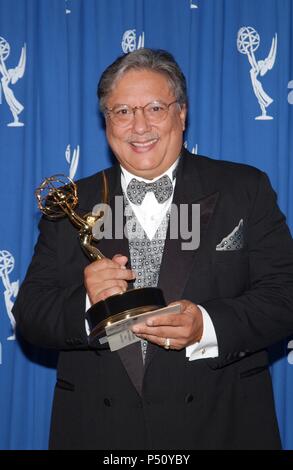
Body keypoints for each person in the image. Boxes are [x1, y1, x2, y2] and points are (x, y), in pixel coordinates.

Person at [13, 48, 293, 450]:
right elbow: (31, 316)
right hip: (100, 432)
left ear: (182, 114)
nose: (138, 126)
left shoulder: (244, 189)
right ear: (106, 121)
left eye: (155, 108)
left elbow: (285, 297)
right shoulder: (70, 203)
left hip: (221, 425)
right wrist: (87, 304)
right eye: (122, 111)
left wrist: (206, 326)